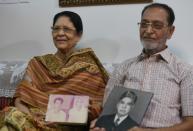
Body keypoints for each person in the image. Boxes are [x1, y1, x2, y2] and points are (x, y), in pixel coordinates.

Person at [91, 3, 193, 131]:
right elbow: (108, 112)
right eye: (144, 24)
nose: (148, 31)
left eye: (157, 25)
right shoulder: (123, 68)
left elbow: (191, 124)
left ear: (170, 31)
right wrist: (100, 123)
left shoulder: (185, 71)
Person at [0, 11, 108, 131]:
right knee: (11, 114)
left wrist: (85, 111)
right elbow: (20, 98)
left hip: (68, 126)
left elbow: (98, 106)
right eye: (56, 29)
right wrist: (36, 121)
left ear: (79, 35)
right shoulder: (37, 63)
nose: (60, 33)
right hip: (32, 120)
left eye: (66, 29)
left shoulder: (90, 68)